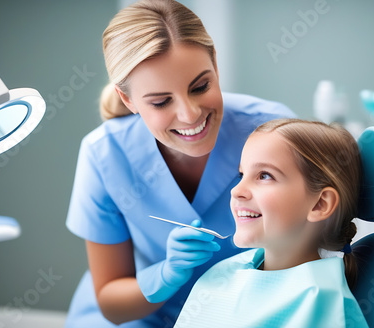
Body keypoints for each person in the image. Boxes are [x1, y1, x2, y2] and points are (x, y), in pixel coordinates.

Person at [65, 0, 295, 326]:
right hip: (139, 316)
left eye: (200, 86)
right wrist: (165, 275)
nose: (190, 115)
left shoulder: (274, 130)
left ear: (215, 62)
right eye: (161, 101)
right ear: (127, 99)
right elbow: (112, 304)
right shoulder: (104, 155)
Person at [174, 119, 369, 328]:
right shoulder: (227, 271)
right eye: (242, 174)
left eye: (264, 175)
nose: (236, 190)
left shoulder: (321, 304)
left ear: (319, 204)